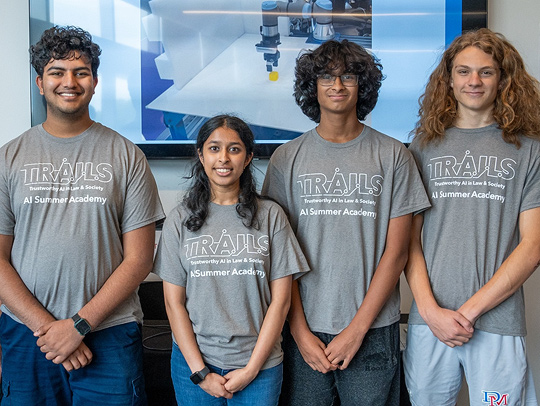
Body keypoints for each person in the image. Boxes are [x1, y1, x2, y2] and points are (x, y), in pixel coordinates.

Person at [0, 25, 165, 405]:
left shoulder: (127, 156)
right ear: (40, 83)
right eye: (57, 72)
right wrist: (51, 330)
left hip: (109, 334)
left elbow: (139, 259)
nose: (69, 81)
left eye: (81, 72)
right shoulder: (10, 157)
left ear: (94, 82)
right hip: (29, 335)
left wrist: (79, 325)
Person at [262, 39, 430, 405]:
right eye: (326, 76)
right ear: (312, 86)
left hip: (373, 329)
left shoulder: (393, 156)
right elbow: (278, 256)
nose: (337, 86)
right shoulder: (286, 159)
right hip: (303, 329)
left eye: (348, 76)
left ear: (363, 85)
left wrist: (356, 331)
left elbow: (397, 252)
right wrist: (300, 331)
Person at [403, 28, 540, 406]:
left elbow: (533, 246)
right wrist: (432, 313)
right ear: (448, 79)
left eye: (486, 71)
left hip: (497, 321)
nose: (474, 81)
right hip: (429, 322)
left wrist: (467, 312)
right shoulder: (422, 147)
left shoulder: (529, 151)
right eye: (463, 71)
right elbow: (408, 242)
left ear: (503, 79)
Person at [153, 114, 309, 406]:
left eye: (234, 149)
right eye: (214, 148)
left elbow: (281, 302)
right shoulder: (180, 220)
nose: (223, 158)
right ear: (200, 155)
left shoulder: (271, 217)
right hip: (194, 365)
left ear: (248, 157)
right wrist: (201, 372)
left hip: (261, 366)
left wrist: (251, 370)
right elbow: (173, 304)